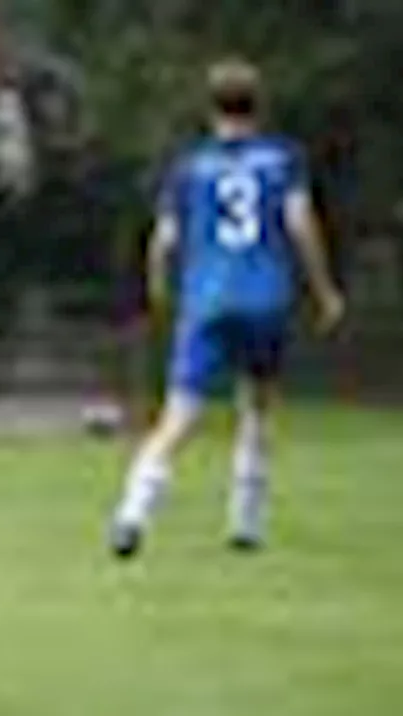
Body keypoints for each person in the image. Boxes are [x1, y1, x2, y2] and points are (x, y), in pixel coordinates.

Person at [107, 59, 345, 559]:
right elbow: (301, 225)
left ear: (211, 108)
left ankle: (133, 514)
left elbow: (165, 240)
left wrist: (159, 287)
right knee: (255, 407)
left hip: (208, 300)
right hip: (265, 300)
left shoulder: (190, 167)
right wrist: (323, 290)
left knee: (180, 413)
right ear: (258, 105)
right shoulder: (281, 160)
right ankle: (245, 522)